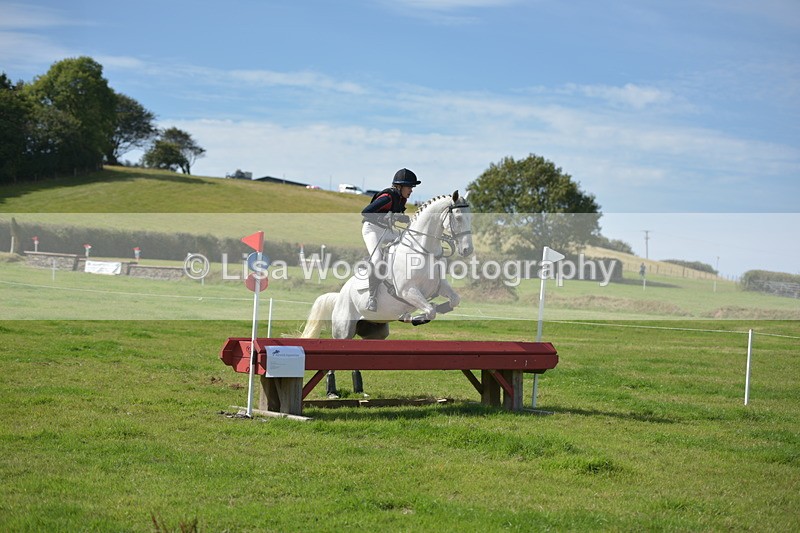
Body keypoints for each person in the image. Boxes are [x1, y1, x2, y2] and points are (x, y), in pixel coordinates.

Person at [361, 168, 421, 311]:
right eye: (409, 187)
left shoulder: (401, 199)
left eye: (412, 187)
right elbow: (366, 212)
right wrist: (389, 217)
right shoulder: (388, 197)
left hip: (386, 230)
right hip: (372, 229)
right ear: (399, 186)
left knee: (409, 244)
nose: (411, 190)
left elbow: (394, 216)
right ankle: (372, 297)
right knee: (376, 260)